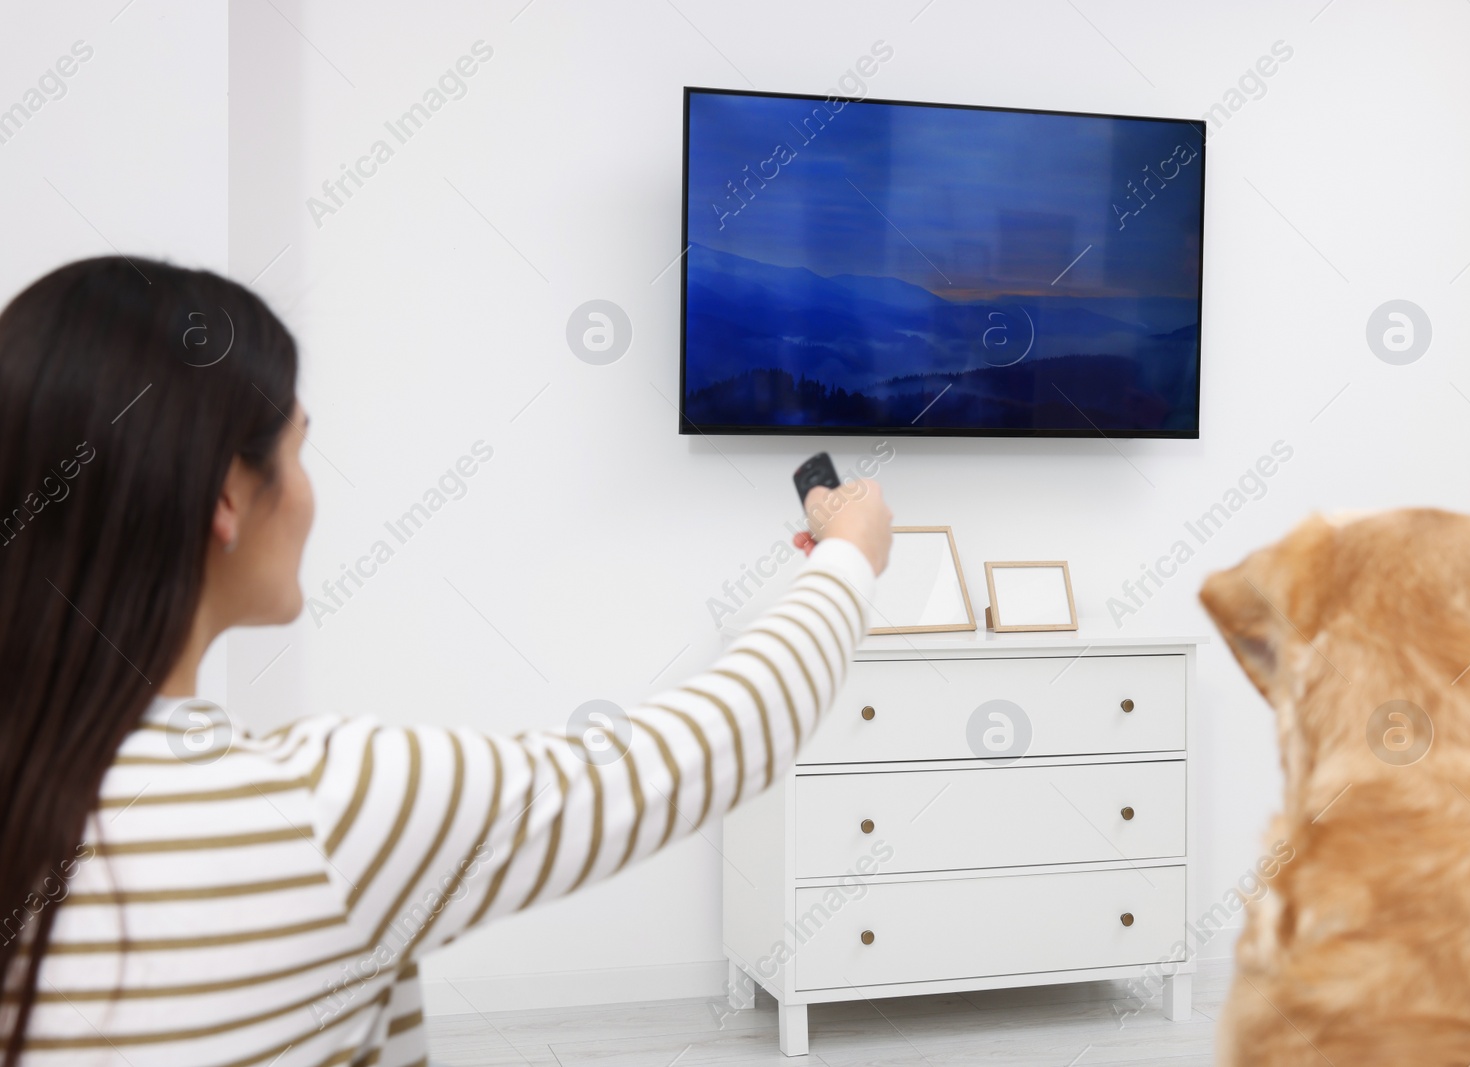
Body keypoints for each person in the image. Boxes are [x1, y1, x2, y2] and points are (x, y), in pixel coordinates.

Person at [0, 257, 893, 1067]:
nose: (311, 489)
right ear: (227, 498)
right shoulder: (323, 814)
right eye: (300, 448)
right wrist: (851, 551)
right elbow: (723, 740)